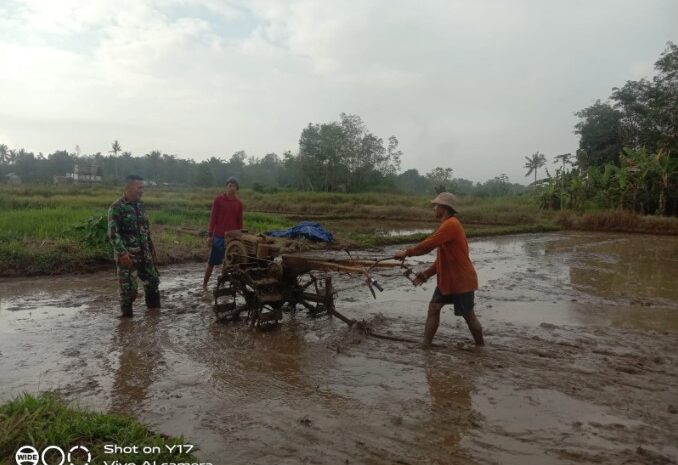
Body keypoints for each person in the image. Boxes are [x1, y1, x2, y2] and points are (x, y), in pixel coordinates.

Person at [394, 192, 483, 348]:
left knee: (469, 315)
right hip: (448, 280)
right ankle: (426, 345)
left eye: (436, 205)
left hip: (461, 280)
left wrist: (407, 253)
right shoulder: (447, 225)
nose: (434, 208)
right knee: (434, 308)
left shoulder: (451, 224)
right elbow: (443, 259)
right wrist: (427, 273)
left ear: (444, 208)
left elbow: (429, 244)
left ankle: (481, 347)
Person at [108, 174, 160, 318]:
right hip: (128, 256)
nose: (141, 191)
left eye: (143, 188)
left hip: (145, 254)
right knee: (128, 291)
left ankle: (154, 317)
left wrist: (151, 247)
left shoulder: (140, 205)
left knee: (153, 281)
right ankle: (126, 322)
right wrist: (122, 253)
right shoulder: (116, 207)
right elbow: (113, 234)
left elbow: (145, 229)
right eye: (139, 188)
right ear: (128, 187)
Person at [203, 176, 243, 290]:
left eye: (234, 186)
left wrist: (240, 236)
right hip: (219, 236)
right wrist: (210, 235)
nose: (232, 188)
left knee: (228, 263)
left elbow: (240, 221)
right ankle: (205, 285)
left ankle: (222, 285)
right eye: (230, 185)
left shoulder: (238, 203)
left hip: (232, 238)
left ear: (237, 189)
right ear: (226, 187)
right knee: (211, 262)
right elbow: (213, 218)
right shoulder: (218, 200)